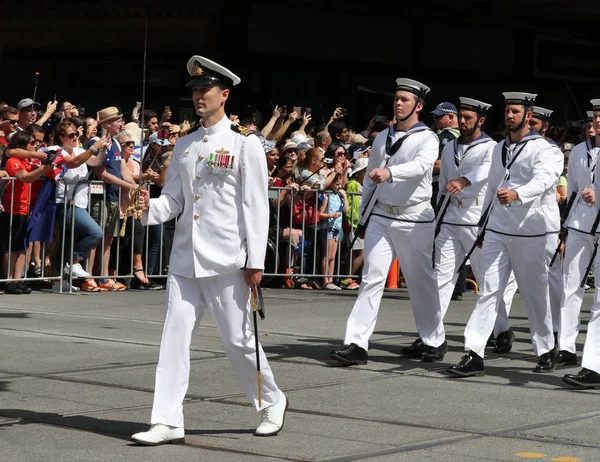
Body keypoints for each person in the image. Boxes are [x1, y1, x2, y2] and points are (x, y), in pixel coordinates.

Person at [131, 55, 288, 446]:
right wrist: (145, 208)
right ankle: (167, 420)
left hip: (227, 259)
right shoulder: (184, 144)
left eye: (206, 90)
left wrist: (255, 262)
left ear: (224, 94)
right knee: (173, 338)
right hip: (186, 259)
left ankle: (271, 400)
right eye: (195, 91)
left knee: (237, 339)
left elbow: (255, 205)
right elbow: (174, 201)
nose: (199, 96)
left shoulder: (243, 143)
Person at [329, 78, 447, 366]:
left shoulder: (428, 138)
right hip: (382, 215)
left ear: (418, 106)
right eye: (397, 98)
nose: (398, 103)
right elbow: (370, 178)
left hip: (414, 217)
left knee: (421, 282)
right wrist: (363, 216)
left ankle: (434, 340)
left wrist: (390, 173)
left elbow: (421, 167)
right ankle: (356, 344)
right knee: (371, 279)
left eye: (405, 99)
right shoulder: (382, 137)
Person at [446, 92, 558, 377]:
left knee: (534, 293)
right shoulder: (499, 148)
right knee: (489, 291)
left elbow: (545, 179)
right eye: (507, 111)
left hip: (529, 230)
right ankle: (474, 352)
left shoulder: (542, 149)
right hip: (497, 228)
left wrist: (518, 193)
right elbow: (492, 187)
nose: (510, 116)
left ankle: (546, 349)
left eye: (515, 111)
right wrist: (483, 224)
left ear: (528, 114)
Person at [434, 97, 517, 330]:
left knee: (486, 277)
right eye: (460, 117)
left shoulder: (491, 147)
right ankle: (430, 333)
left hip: (476, 217)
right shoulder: (450, 146)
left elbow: (487, 171)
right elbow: (445, 180)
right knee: (442, 276)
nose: (462, 121)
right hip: (452, 217)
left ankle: (500, 329)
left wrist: (465, 180)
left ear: (480, 120)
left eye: (468, 118)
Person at [557, 99, 600, 367]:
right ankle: (566, 347)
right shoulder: (578, 152)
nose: (596, 124)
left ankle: (593, 360)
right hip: (579, 226)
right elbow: (572, 190)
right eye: (594, 119)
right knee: (571, 287)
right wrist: (564, 226)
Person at [319, 173, 348, 290]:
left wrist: (345, 196)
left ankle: (330, 279)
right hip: (328, 226)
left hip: (337, 227)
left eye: (340, 183)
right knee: (327, 255)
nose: (339, 185)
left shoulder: (339, 195)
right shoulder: (327, 195)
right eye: (336, 183)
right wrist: (332, 215)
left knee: (333, 256)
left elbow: (346, 209)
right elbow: (320, 214)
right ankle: (325, 280)